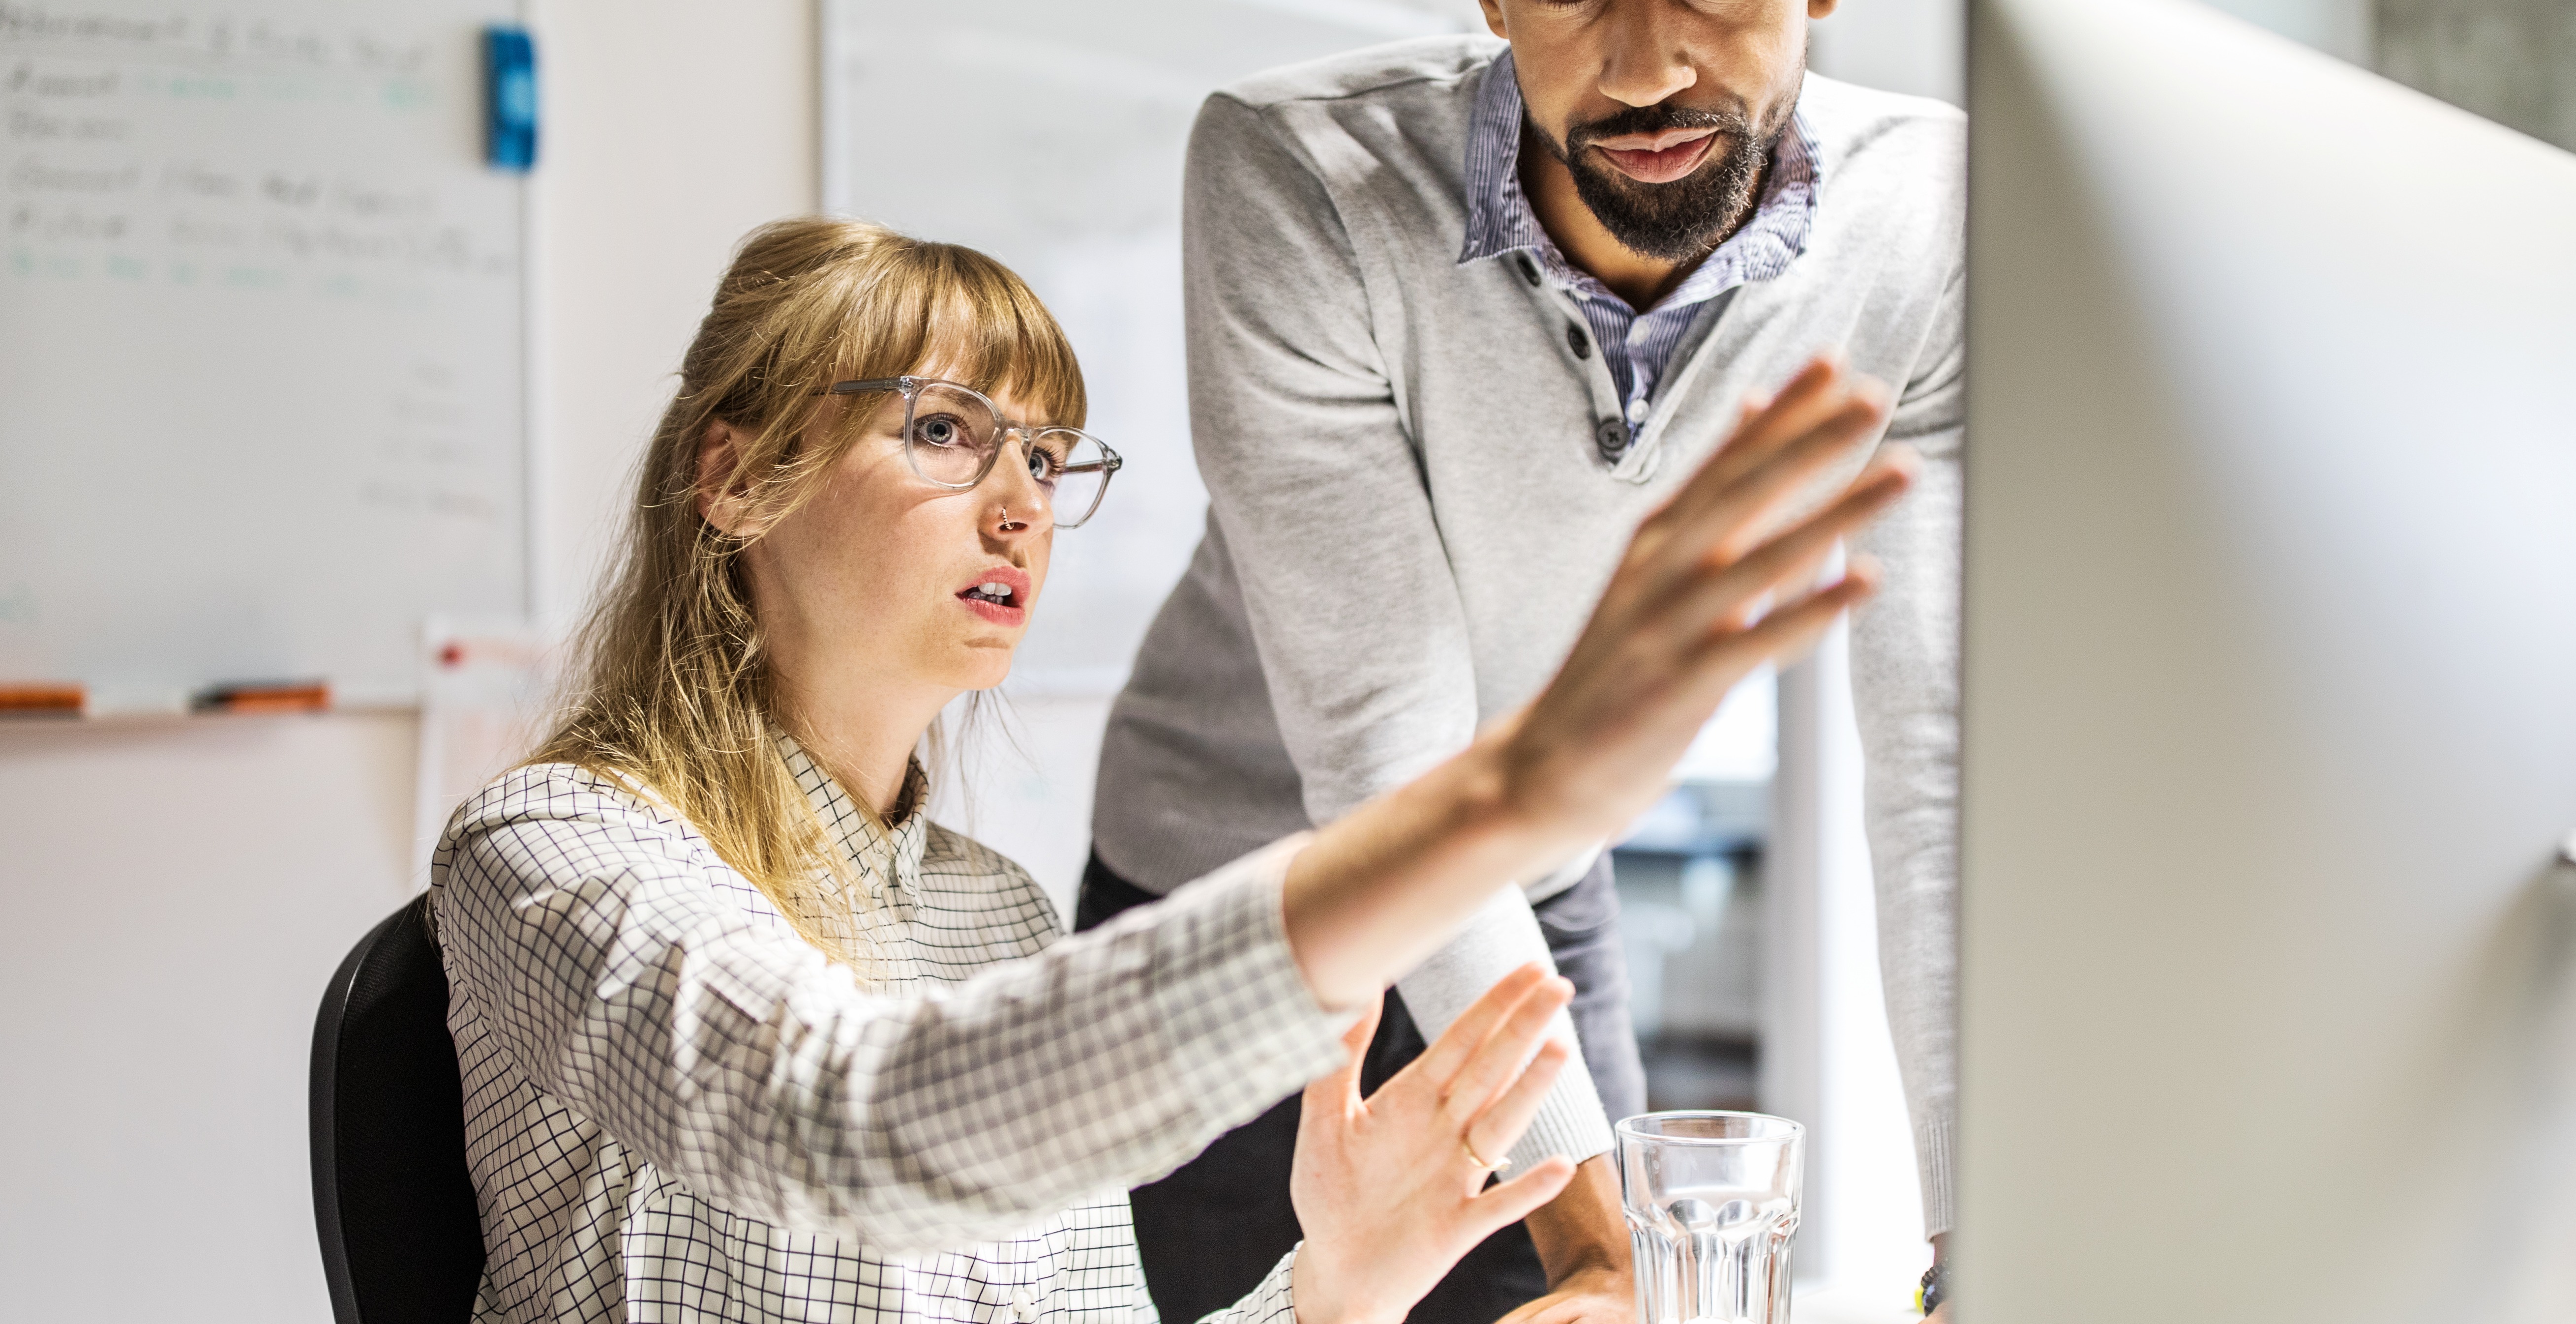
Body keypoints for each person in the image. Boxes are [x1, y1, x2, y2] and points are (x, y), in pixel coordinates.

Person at [428, 216, 1910, 1322]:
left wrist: (1334, 1289)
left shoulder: (994, 911)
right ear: (738, 476)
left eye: (1045, 457)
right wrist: (1494, 801)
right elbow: (841, 1124)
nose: (1022, 504)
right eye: (944, 432)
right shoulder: (550, 846)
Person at [1085, 0, 1964, 1317]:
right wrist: (1601, 1244)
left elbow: (1941, 762)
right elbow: (1388, 760)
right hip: (1241, 919)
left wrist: (1973, 1231)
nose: (1645, 71)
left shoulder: (1926, 224)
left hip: (1539, 898)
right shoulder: (1306, 179)